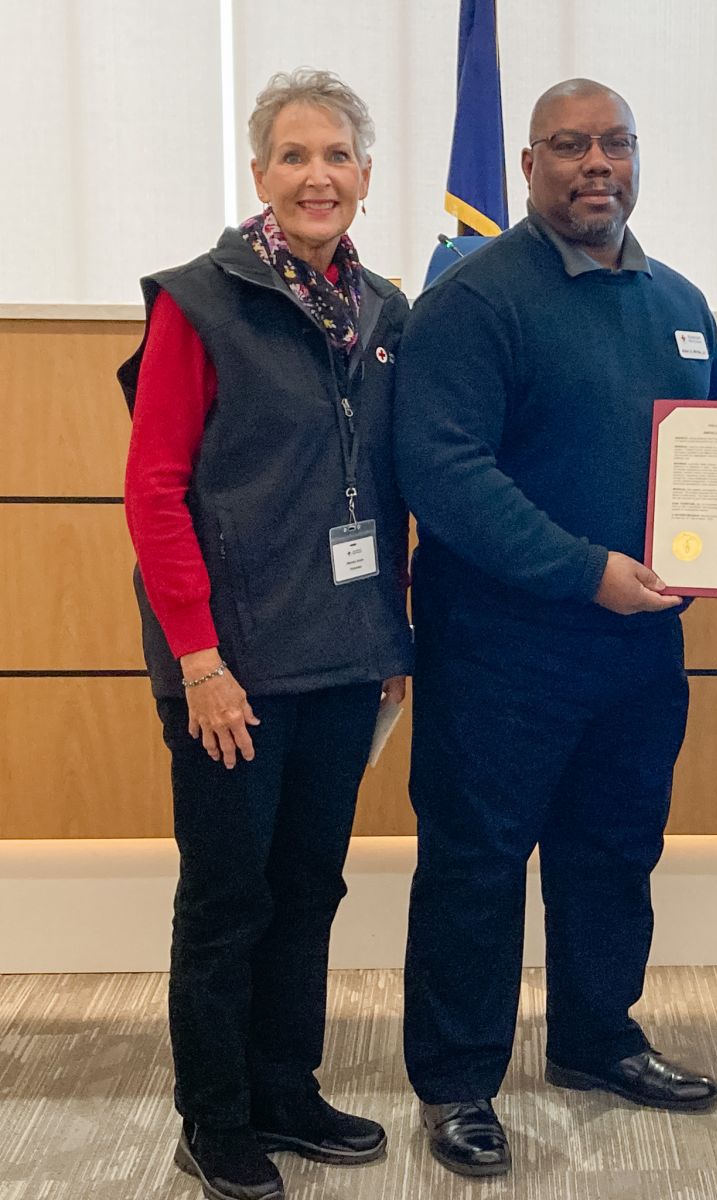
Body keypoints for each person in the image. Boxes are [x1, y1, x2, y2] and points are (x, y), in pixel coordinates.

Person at [393, 77, 717, 1178]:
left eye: (617, 144)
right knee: (477, 865)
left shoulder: (676, 300)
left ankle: (596, 1040)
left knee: (614, 850)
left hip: (638, 649)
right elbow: (442, 474)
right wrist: (583, 572)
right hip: (501, 649)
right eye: (572, 146)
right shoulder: (475, 300)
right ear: (530, 164)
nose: (599, 164)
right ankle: (455, 1082)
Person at [119, 69, 412, 1200]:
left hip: (342, 655)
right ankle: (216, 1115)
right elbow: (154, 492)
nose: (316, 176)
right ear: (259, 177)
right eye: (293, 156)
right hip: (227, 670)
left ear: (366, 178)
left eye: (336, 155)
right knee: (230, 896)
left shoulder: (383, 310)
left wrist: (392, 637)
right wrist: (197, 658)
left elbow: (389, 487)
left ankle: (287, 1087)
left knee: (309, 886)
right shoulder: (200, 302)